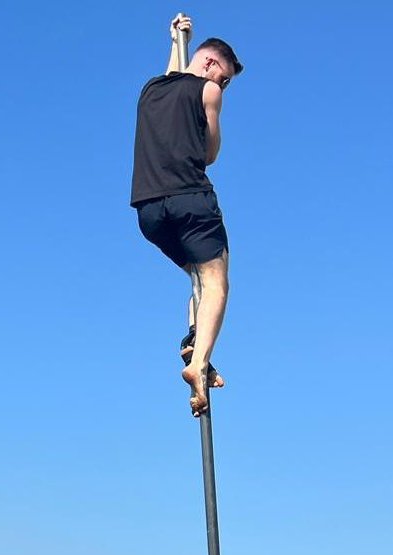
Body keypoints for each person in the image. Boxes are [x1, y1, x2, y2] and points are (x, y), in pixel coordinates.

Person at [130, 14, 243, 417]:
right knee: (217, 280)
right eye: (224, 77)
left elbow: (173, 75)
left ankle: (196, 343)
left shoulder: (151, 91)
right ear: (211, 65)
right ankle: (197, 365)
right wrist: (215, 103)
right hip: (190, 198)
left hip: (148, 211)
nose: (223, 85)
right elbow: (210, 153)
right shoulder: (210, 90)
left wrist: (178, 38)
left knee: (196, 275)